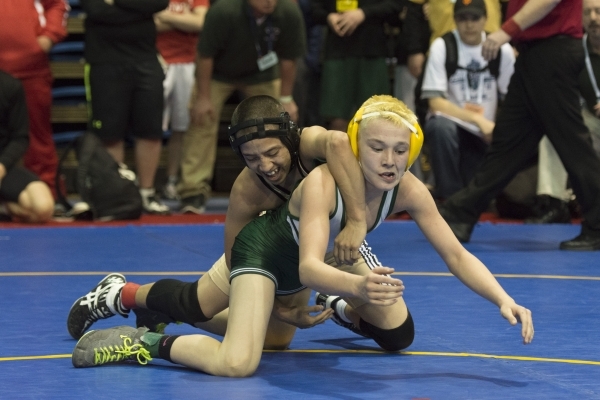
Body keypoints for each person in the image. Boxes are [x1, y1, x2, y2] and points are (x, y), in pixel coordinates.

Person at [70, 95, 533, 377]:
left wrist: (502, 298)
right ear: (356, 147)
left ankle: (333, 306)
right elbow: (302, 265)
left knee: (396, 333)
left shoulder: (401, 184)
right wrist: (324, 291)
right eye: (376, 148)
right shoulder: (308, 184)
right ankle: (143, 338)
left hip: (323, 250)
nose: (390, 160)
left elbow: (453, 252)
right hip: (268, 253)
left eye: (400, 149)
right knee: (235, 356)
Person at [67, 94, 372, 348]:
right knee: (198, 304)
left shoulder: (307, 144)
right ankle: (121, 295)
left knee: (276, 341)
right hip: (264, 251)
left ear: (290, 137)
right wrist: (280, 310)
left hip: (302, 253)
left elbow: (339, 142)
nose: (265, 166)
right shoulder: (246, 191)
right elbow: (234, 261)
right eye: (251, 158)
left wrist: (357, 221)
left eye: (272, 152)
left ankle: (157, 310)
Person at [439, 0, 600, 251]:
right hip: (534, 54)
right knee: (508, 143)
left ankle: (599, 224)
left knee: (573, 145)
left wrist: (507, 30)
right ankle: (460, 212)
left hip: (552, 52)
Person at [177, 0, 306, 214]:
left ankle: (285, 185)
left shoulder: (289, 11)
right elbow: (205, 55)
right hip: (218, 73)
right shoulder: (223, 10)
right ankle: (192, 190)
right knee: (202, 118)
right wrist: (203, 97)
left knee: (281, 121)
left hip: (261, 74)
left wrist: (286, 97)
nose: (269, 1)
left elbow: (288, 58)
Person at [80, 0, 171, 215]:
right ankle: (115, 192)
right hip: (105, 62)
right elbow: (95, 9)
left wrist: (116, 3)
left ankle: (147, 193)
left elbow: (158, 3)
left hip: (145, 59)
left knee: (150, 131)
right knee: (110, 133)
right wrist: (138, 9)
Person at [421, 0, 515, 200]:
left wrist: (500, 128)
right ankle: (449, 199)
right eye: (463, 19)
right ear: (455, 20)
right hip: (454, 130)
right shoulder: (443, 45)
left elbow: (514, 100)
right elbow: (435, 103)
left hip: (486, 136)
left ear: (485, 19)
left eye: (475, 18)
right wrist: (477, 120)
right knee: (439, 127)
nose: (469, 24)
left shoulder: (501, 49)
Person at [527, 0, 600, 224]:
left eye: (598, 12)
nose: (593, 18)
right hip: (590, 122)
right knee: (555, 129)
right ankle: (554, 201)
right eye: (587, 13)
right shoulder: (575, 50)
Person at [0, 0, 69, 201]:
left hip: (31, 68)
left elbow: (58, 4)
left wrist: (48, 37)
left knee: (37, 136)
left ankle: (48, 191)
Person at [310, 0, 401, 132]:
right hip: (337, 50)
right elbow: (314, 8)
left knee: (375, 119)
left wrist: (363, 13)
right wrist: (328, 16)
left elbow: (396, 6)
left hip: (372, 50)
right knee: (337, 120)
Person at [154, 0, 209, 200]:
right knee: (150, 128)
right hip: (156, 61)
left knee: (182, 127)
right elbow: (149, 24)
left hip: (188, 64)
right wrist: (186, 20)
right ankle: (148, 185)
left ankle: (171, 180)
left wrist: (165, 17)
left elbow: (201, 23)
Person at [0, 70, 54, 223]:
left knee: (42, 207)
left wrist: (1, 167)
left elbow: (20, 138)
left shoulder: (10, 86)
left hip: (3, 167)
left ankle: (4, 208)